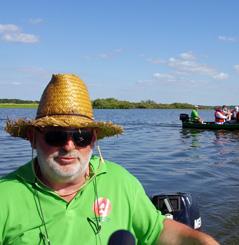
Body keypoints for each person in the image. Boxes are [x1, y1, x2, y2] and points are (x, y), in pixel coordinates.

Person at [0, 74, 219, 245]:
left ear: (93, 140)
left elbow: (157, 230)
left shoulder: (119, 180)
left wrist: (202, 241)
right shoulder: (6, 196)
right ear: (32, 138)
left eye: (81, 136)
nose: (69, 146)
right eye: (55, 135)